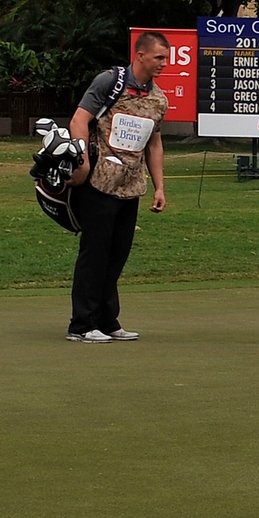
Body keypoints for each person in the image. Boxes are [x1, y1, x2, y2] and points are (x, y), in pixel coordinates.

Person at [64, 31, 170, 343]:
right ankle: (81, 324)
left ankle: (107, 320)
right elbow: (79, 121)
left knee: (117, 255)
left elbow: (154, 144)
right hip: (98, 181)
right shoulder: (109, 82)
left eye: (166, 58)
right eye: (159, 58)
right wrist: (81, 159)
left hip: (131, 186)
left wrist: (160, 187)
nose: (164, 63)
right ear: (140, 55)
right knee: (95, 253)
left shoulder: (158, 100)